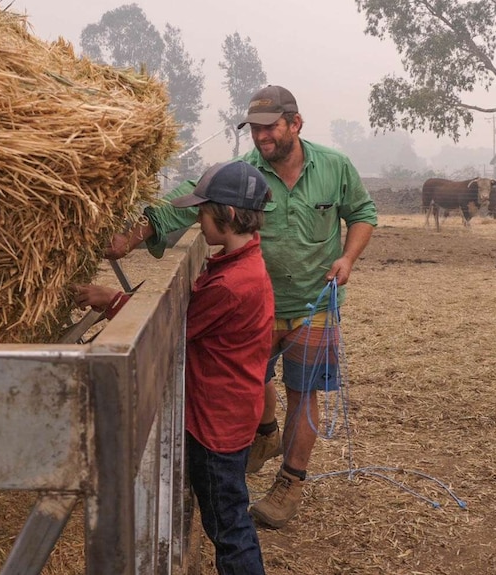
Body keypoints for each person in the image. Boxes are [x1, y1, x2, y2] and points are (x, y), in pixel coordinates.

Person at [105, 85, 378, 529]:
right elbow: (190, 198)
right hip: (259, 303)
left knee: (304, 395)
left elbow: (363, 212)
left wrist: (347, 258)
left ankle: (290, 481)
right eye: (254, 129)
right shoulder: (243, 173)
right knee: (250, 379)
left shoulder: (336, 166)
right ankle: (264, 434)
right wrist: (134, 233)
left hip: (315, 303)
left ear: (296, 123)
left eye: (270, 128)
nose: (261, 137)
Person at [78, 160, 274, 574]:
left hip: (215, 427)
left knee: (229, 528)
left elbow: (172, 326)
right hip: (228, 417)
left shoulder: (233, 285)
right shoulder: (240, 266)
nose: (198, 220)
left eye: (203, 211)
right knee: (226, 517)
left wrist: (109, 300)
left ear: (231, 215)